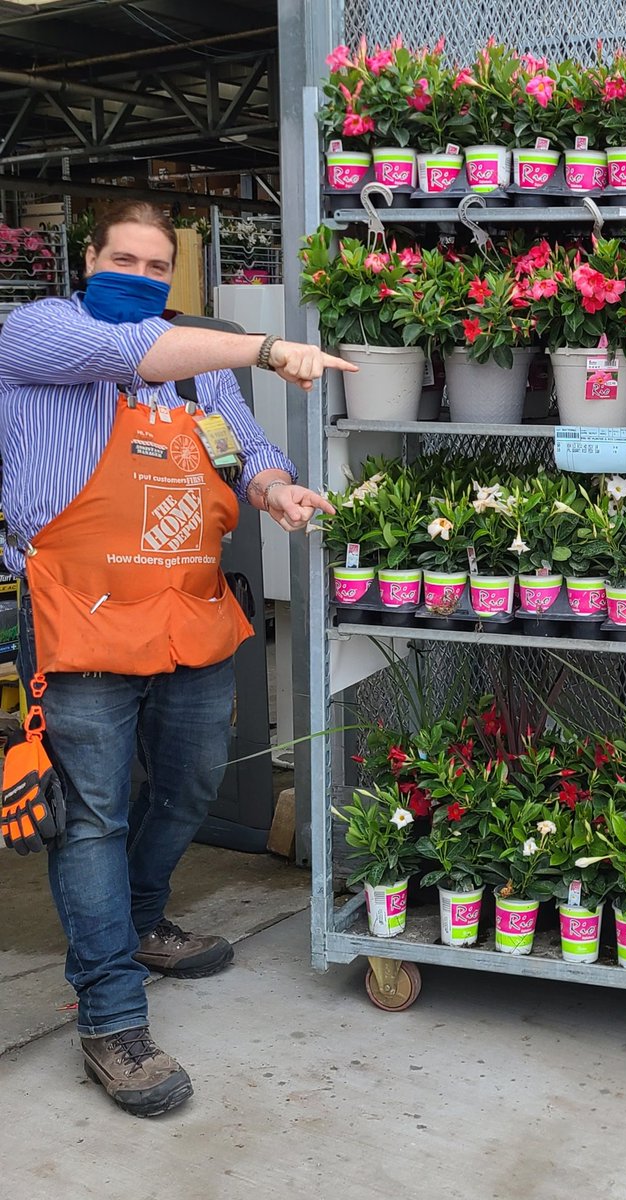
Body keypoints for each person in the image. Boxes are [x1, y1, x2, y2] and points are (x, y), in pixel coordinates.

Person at [0, 201, 354, 1118]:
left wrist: (275, 489)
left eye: (157, 267)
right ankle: (112, 1018)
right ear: (87, 258)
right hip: (78, 616)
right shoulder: (38, 333)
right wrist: (267, 347)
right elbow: (134, 352)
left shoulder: (200, 366)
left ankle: (138, 916)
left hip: (188, 611)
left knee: (193, 784)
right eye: (124, 259)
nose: (141, 277)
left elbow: (248, 448)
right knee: (92, 818)